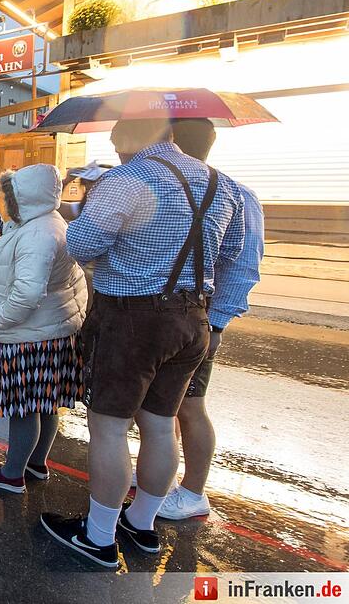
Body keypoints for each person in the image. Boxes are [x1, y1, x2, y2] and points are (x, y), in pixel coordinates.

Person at [41, 119, 244, 568]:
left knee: (110, 427)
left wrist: (93, 211)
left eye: (116, 142)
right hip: (194, 317)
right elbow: (232, 255)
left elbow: (83, 245)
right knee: (159, 422)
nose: (116, 151)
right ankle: (143, 523)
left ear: (131, 139)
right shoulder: (220, 182)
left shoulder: (126, 179)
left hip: (132, 317)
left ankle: (97, 536)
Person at [158, 119, 264, 520]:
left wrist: (216, 322)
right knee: (159, 405)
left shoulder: (233, 193)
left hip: (198, 316)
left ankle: (192, 492)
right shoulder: (168, 189)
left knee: (189, 403)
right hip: (168, 315)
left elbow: (242, 266)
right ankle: (161, 474)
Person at [0, 165, 87, 493]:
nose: (6, 200)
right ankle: (34, 464)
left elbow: (27, 293)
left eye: (11, 194)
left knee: (24, 408)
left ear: (27, 196)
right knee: (45, 404)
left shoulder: (39, 233)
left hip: (28, 337)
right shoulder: (48, 224)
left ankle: (12, 474)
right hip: (49, 332)